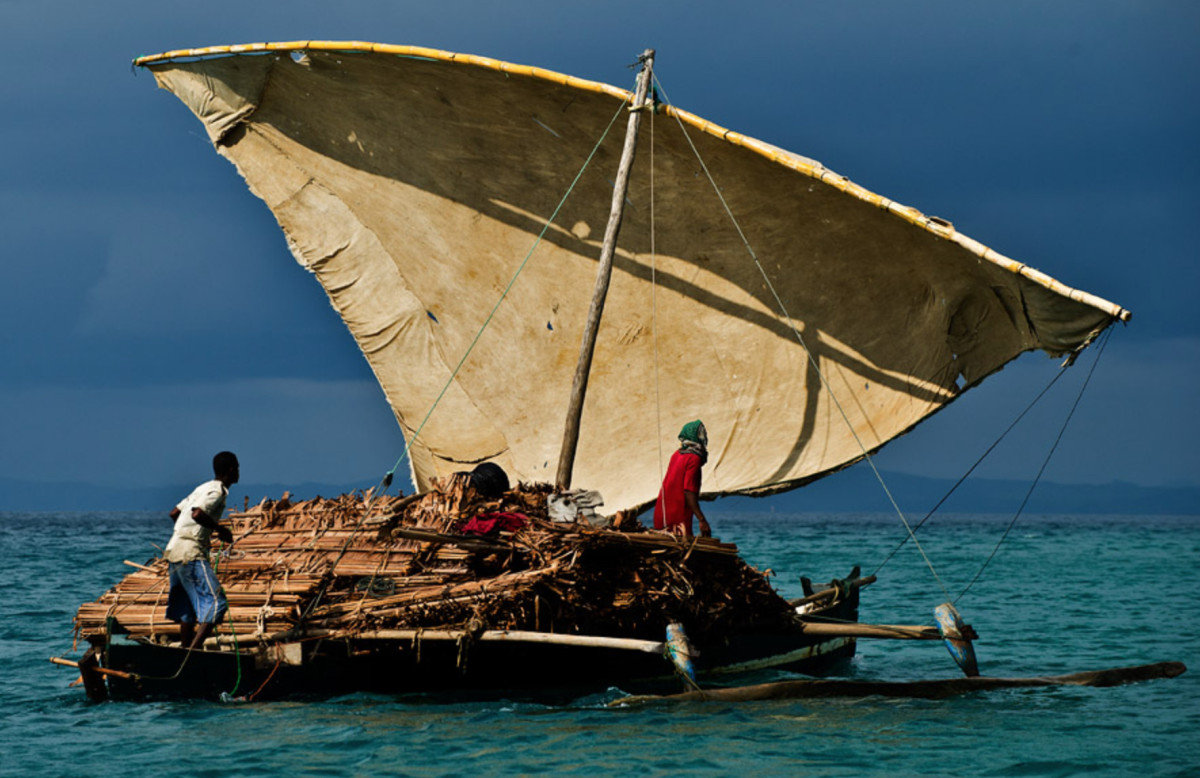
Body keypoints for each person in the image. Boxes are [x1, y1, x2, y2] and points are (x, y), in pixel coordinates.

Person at [164, 451, 238, 650]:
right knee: (217, 602)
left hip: (174, 550)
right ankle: (193, 651)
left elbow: (175, 513)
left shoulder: (202, 487)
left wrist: (196, 534)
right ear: (231, 470)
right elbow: (197, 514)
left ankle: (184, 651)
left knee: (188, 607)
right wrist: (220, 529)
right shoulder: (218, 492)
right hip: (190, 553)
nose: (239, 472)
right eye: (237, 467)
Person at [653, 420, 712, 539]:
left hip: (661, 513)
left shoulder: (677, 454)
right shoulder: (694, 459)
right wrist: (702, 520)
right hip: (677, 516)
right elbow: (688, 491)